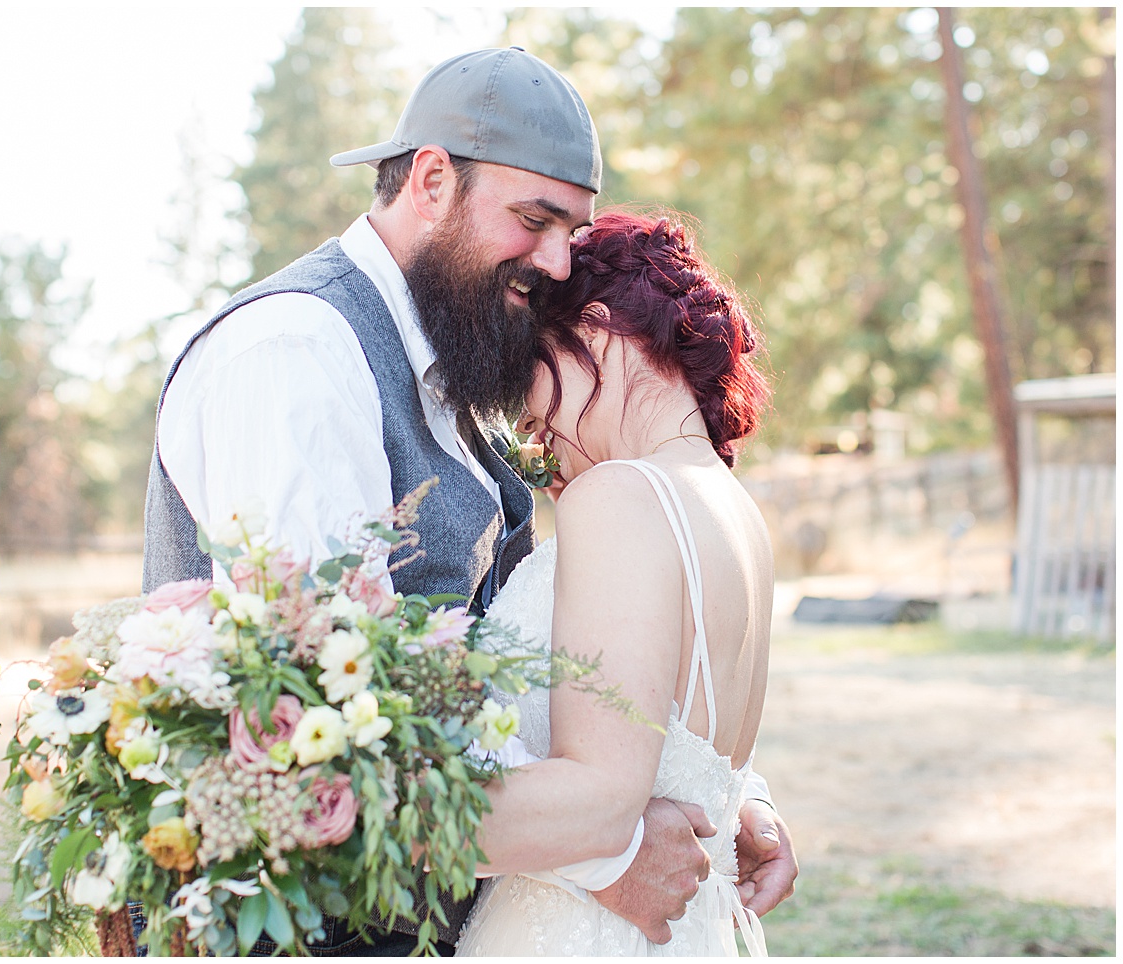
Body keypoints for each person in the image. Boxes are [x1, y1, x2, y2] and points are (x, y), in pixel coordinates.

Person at [143, 47, 796, 955]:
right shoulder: (297, 353)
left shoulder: (448, 381)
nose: (560, 262)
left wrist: (724, 798)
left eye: (574, 230)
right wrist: (605, 853)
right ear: (433, 179)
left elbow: (570, 676)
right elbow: (327, 722)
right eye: (535, 219)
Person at [455, 209, 774, 956]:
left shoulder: (624, 495)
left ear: (594, 329)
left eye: (535, 411)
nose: (542, 447)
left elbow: (599, 796)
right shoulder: (734, 510)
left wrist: (359, 813)